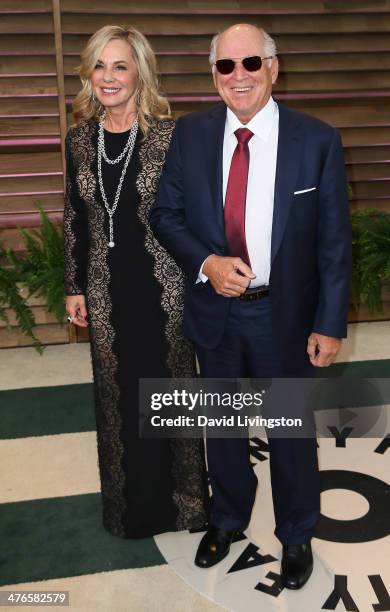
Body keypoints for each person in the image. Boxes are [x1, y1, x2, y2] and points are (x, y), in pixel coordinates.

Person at [150, 23, 351, 588]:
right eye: (225, 66)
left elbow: (334, 243)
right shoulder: (189, 136)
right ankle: (229, 518)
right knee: (225, 428)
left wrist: (329, 322)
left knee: (288, 431)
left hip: (282, 317)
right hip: (214, 309)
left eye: (250, 64)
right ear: (214, 76)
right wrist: (208, 263)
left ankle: (296, 533)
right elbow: (164, 215)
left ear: (273, 68)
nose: (239, 76)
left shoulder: (317, 140)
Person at [64, 25, 208, 539]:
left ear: (140, 72)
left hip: (165, 290)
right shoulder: (79, 140)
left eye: (119, 65)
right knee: (117, 397)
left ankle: (187, 506)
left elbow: (196, 216)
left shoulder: (171, 136)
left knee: (170, 395)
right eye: (99, 66)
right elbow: (75, 217)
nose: (108, 77)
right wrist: (74, 285)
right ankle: (130, 510)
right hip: (105, 290)